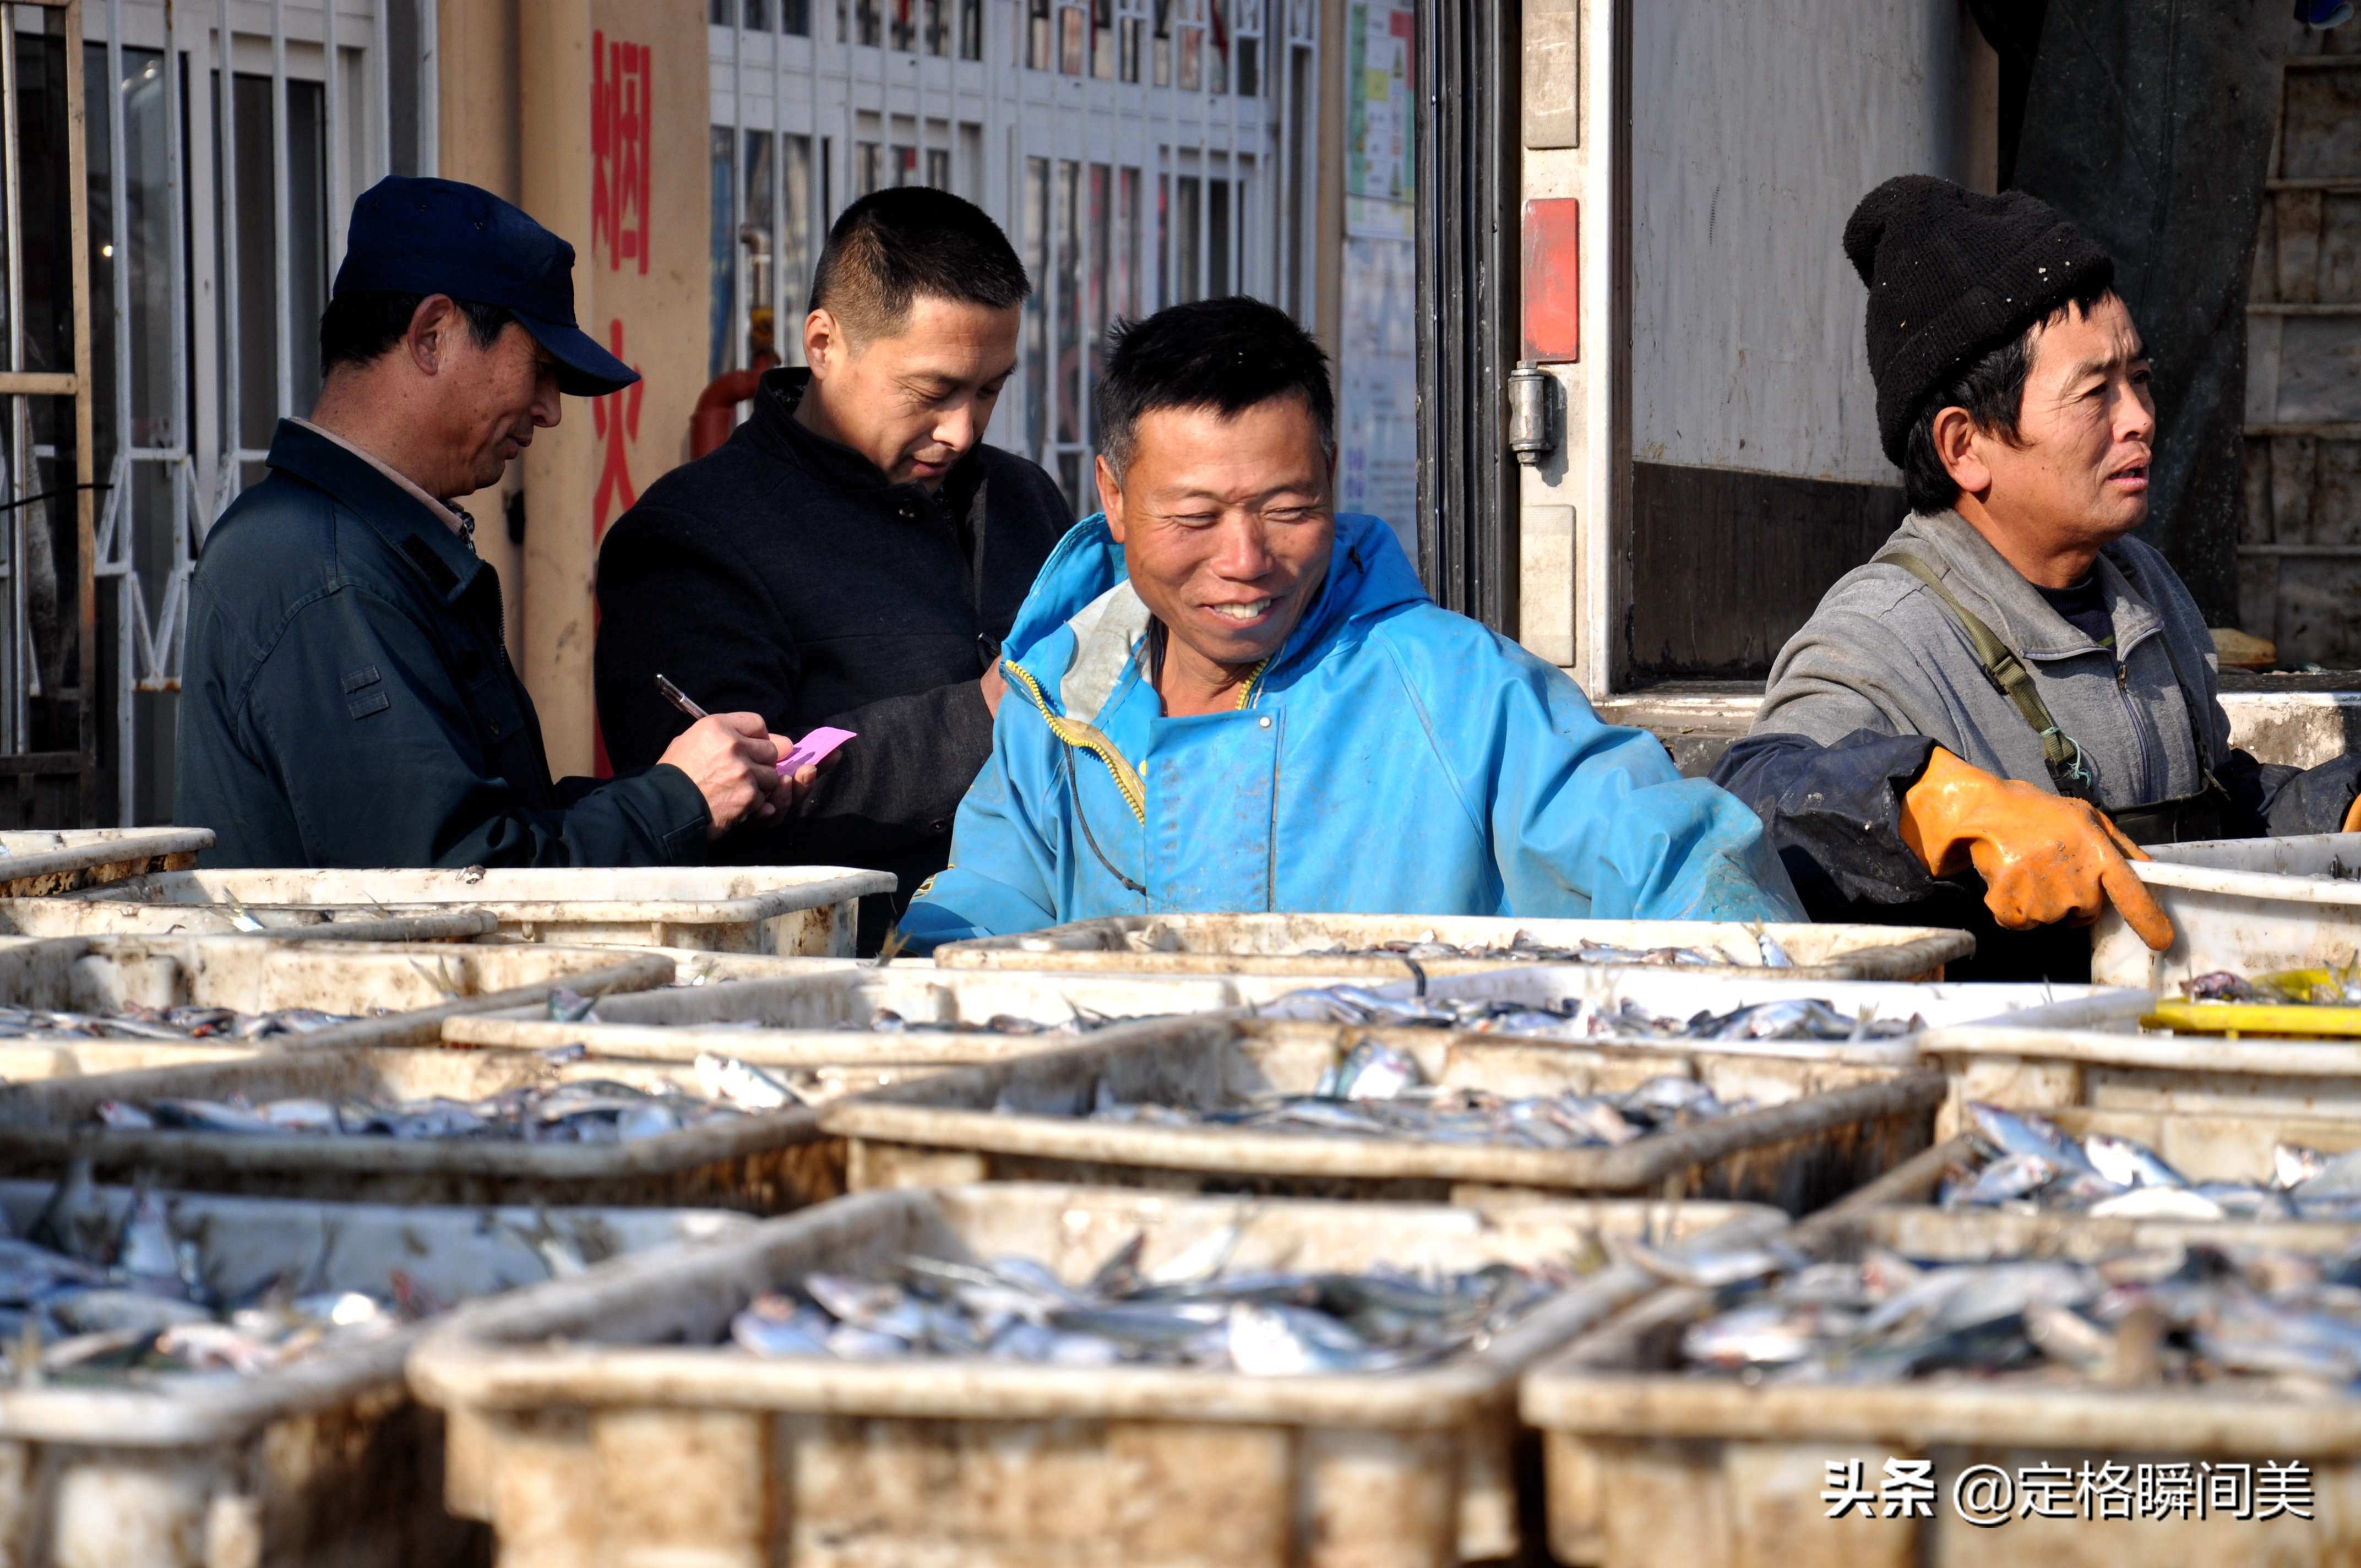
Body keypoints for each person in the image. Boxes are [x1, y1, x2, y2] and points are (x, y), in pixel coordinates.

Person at [900, 297, 1803, 949]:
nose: (1245, 558)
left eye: (1287, 507)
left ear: (1330, 478)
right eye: (1195, 517)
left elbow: (1671, 858)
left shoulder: (1457, 691)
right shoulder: (1053, 712)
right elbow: (983, 917)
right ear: (1114, 498)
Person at [1713, 176, 2361, 979]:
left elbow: (2210, 804)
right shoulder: (1885, 636)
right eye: (2097, 393)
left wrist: (2335, 812)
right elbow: (1753, 796)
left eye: (2141, 379)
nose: (2141, 419)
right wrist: (1951, 807)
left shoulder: (2141, 586)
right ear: (1965, 447)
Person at [177, 176, 809, 867]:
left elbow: (498, 824)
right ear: (433, 335)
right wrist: (678, 801)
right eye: (538, 368)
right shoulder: (318, 570)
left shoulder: (377, 547)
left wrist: (704, 792)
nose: (550, 410)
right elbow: (456, 881)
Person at [596, 188, 1071, 949]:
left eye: (989, 390)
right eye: (932, 392)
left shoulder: (1023, 499)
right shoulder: (695, 536)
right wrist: (986, 715)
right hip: (827, 981)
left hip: (1048, 957)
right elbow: (726, 814)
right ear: (823, 344)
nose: (962, 429)